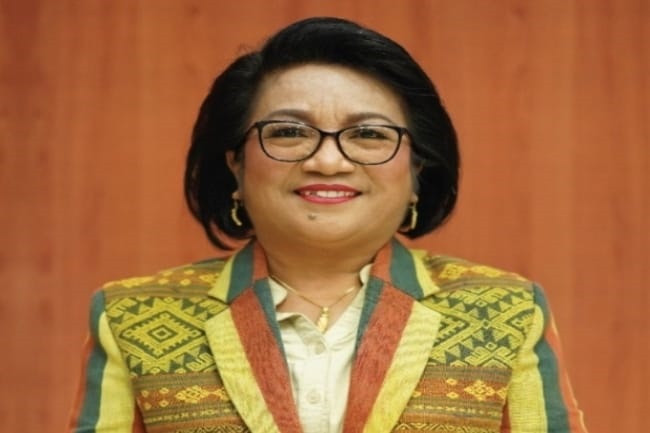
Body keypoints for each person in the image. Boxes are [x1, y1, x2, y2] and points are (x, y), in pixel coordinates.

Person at [68, 17, 588, 433]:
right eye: (289, 132)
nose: (328, 161)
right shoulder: (134, 316)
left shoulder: (504, 312)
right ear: (236, 165)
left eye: (368, 135)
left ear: (416, 172)